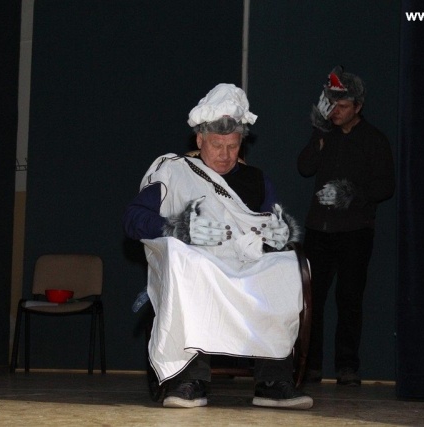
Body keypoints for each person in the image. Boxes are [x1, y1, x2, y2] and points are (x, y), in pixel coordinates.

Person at [123, 83, 313, 410]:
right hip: (198, 261)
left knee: (284, 267)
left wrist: (273, 236)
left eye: (232, 146)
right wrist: (179, 228)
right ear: (200, 140)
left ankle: (272, 380)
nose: (225, 154)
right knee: (191, 263)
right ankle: (188, 379)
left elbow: (275, 225)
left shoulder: (256, 180)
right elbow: (133, 218)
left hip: (245, 262)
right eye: (216, 145)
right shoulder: (175, 172)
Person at [297, 66, 395, 386]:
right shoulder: (325, 133)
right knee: (311, 301)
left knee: (349, 300)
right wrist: (318, 130)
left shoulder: (374, 139)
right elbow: (304, 167)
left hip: (355, 231)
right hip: (319, 230)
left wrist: (351, 194)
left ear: (358, 107)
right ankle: (310, 366)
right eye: (331, 104)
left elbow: (386, 186)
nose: (335, 111)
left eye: (342, 106)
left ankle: (347, 366)